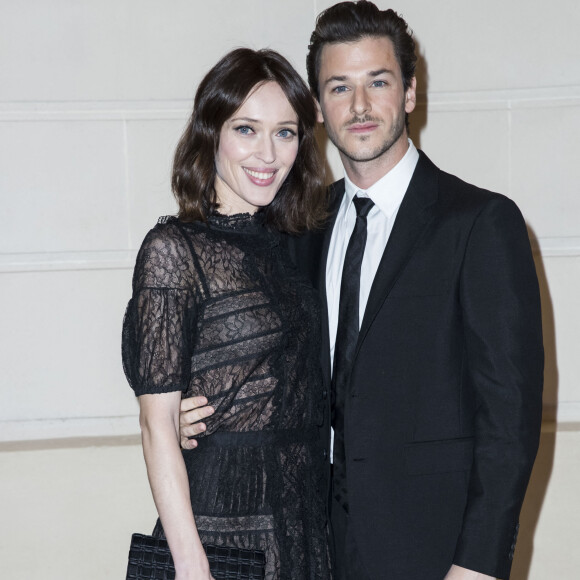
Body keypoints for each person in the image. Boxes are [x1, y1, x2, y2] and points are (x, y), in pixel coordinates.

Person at [180, 2, 544, 579]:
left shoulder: (479, 223)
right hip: (311, 545)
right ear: (319, 109)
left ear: (409, 93)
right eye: (339, 87)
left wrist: (477, 563)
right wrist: (190, 412)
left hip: (434, 550)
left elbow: (510, 416)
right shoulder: (299, 226)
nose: (360, 106)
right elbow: (264, 365)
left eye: (378, 82)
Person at [122, 47, 331, 580]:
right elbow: (157, 424)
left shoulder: (291, 245)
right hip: (220, 529)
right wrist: (192, 565)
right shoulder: (174, 249)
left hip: (302, 522)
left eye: (285, 132)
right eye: (246, 129)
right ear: (210, 132)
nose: (267, 154)